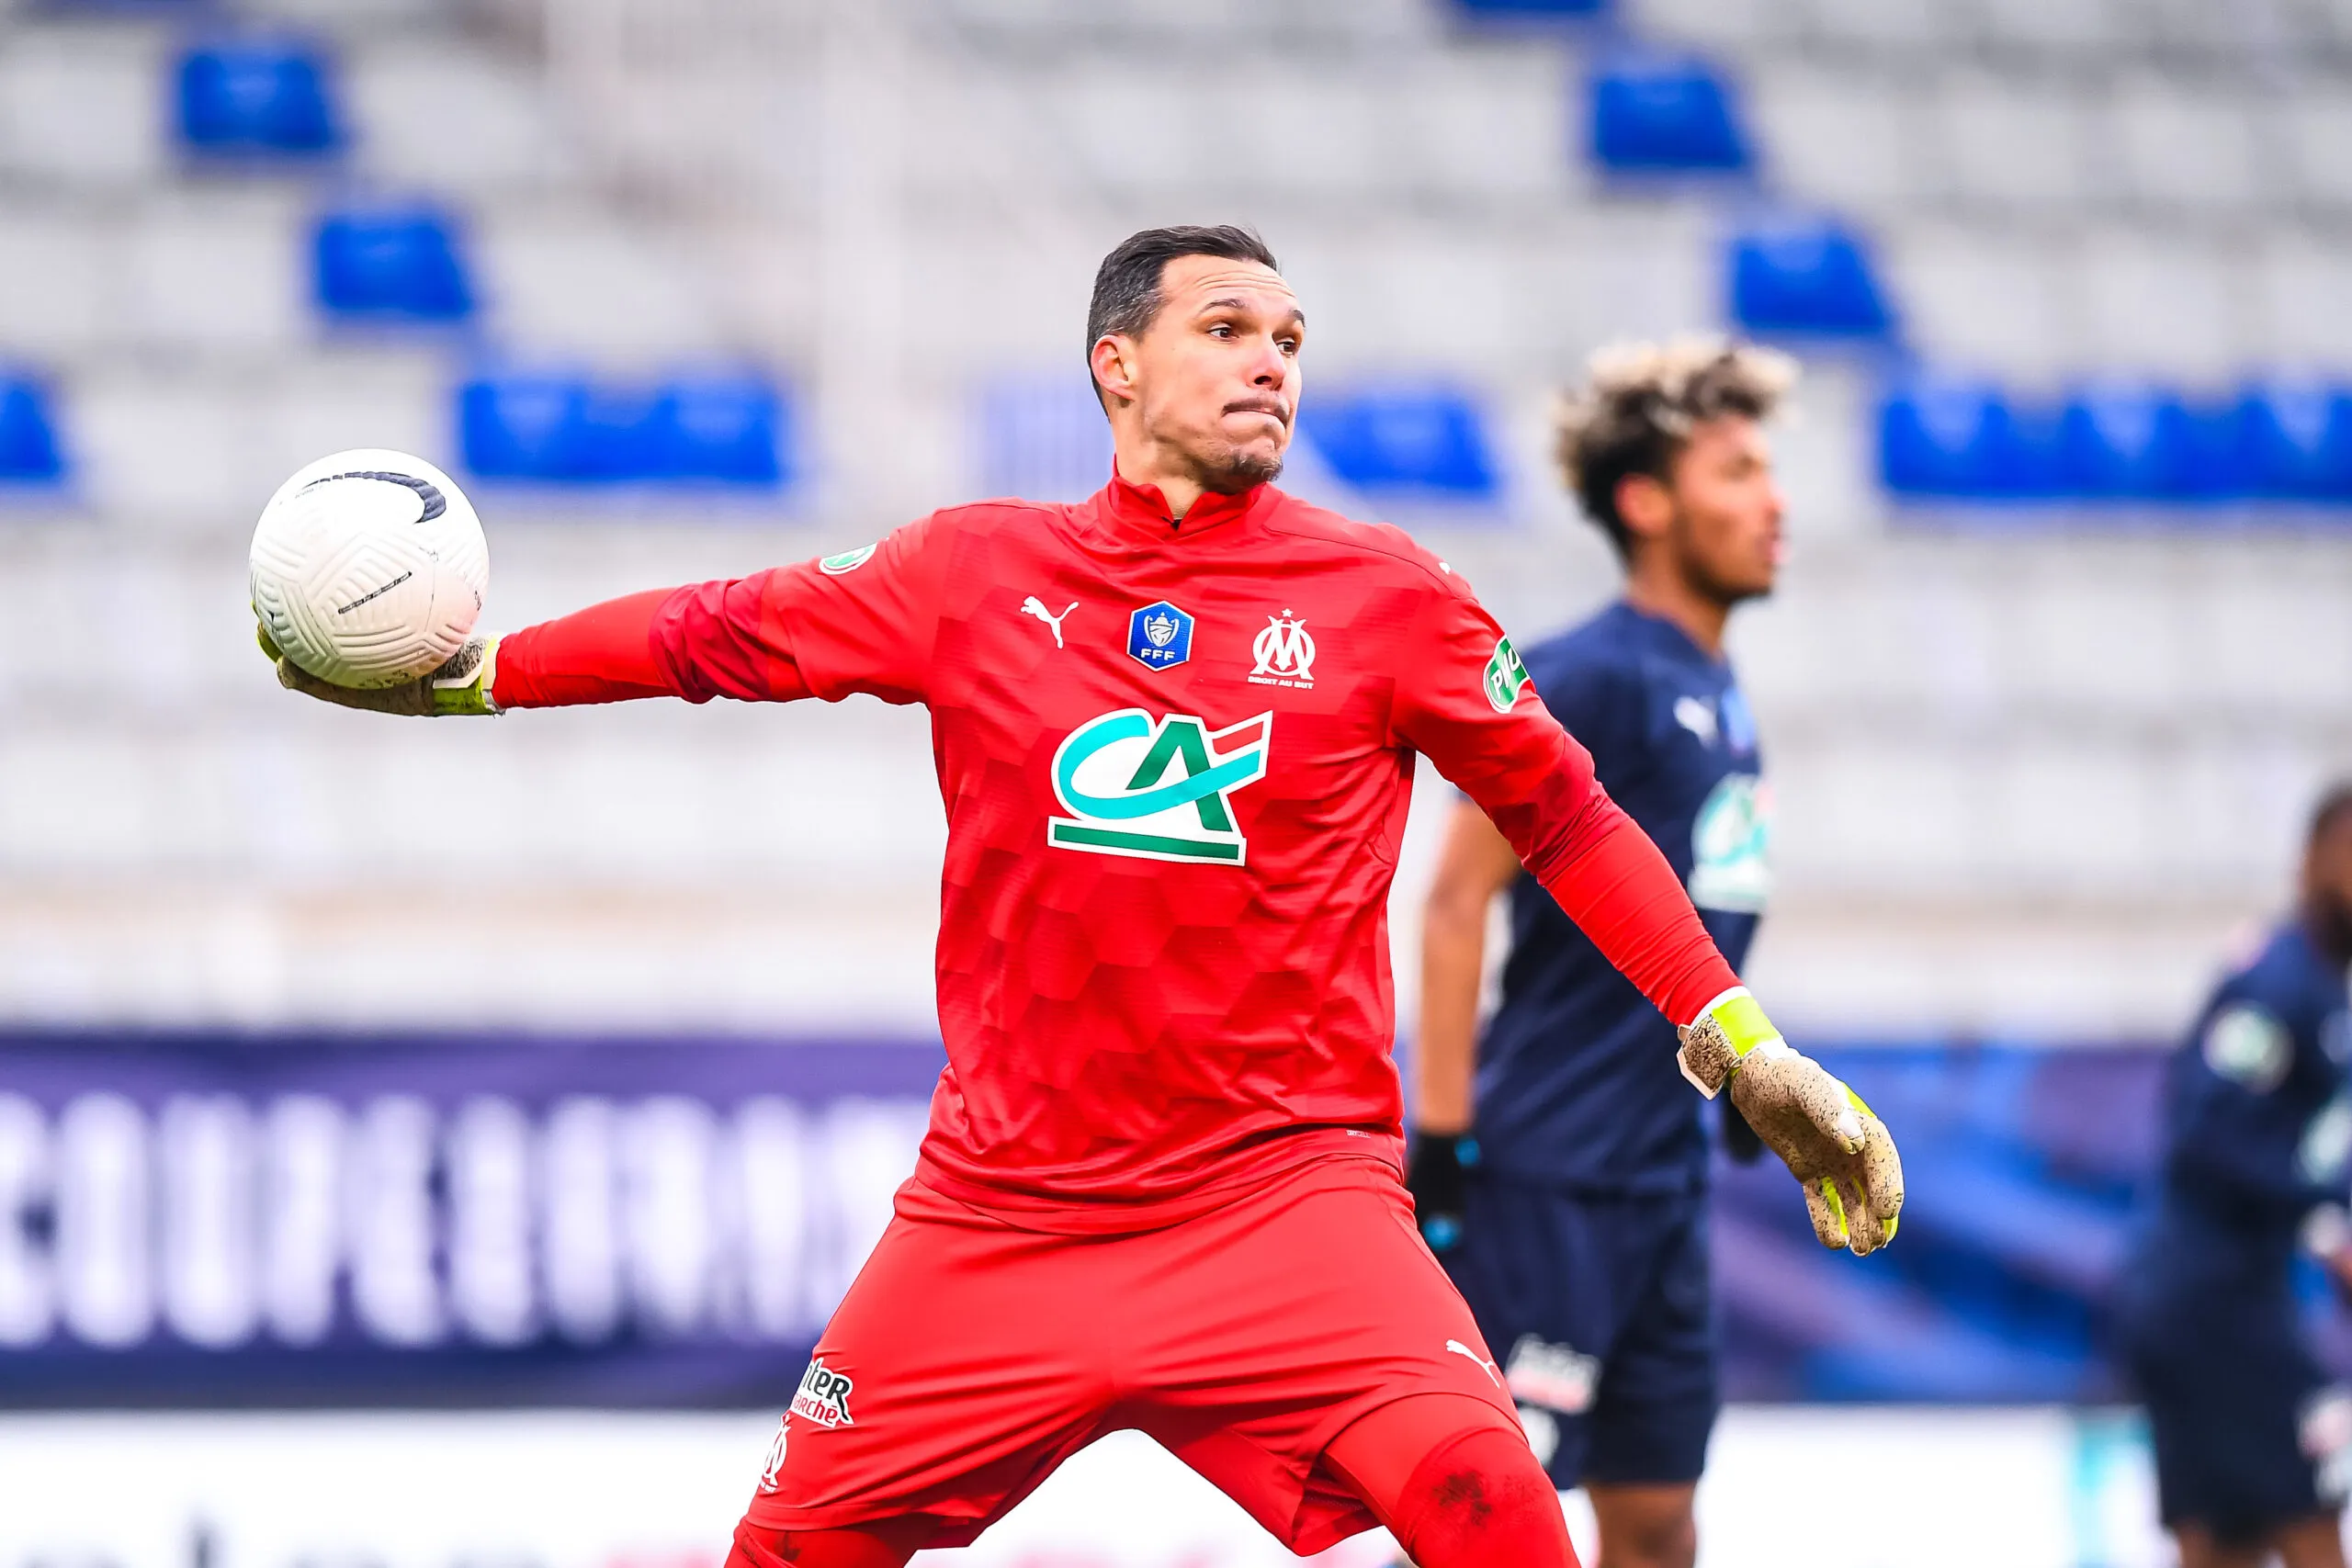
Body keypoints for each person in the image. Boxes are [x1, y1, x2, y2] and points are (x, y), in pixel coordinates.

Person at [263, 226, 1901, 1568]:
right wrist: (476, 678)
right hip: (1003, 1216)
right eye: (1228, 325)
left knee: (1498, 1517)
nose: (1274, 359)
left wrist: (1740, 1040)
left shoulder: (1386, 596)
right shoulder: (974, 572)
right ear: (1116, 365)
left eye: (1292, 336)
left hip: (1290, 1207)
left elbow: (1569, 815)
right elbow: (714, 634)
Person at [1408, 341, 1800, 1568]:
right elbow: (1455, 898)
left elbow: (1689, 918)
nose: (1774, 498)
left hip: (1664, 1185)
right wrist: (1444, 1138)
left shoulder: (1718, 688)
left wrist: (1742, 1076)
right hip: (1547, 1174)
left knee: (1657, 1515)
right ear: (1647, 502)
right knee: (1475, 1522)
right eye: (1737, 470)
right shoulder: (1590, 670)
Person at [2123, 786, 2352, 1568]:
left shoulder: (2327, 986)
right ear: (2310, 862)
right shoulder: (2278, 984)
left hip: (2226, 1299)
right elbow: (2205, 1131)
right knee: (2310, 1521)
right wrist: (2325, 1219)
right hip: (2211, 1308)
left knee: (2224, 1544)